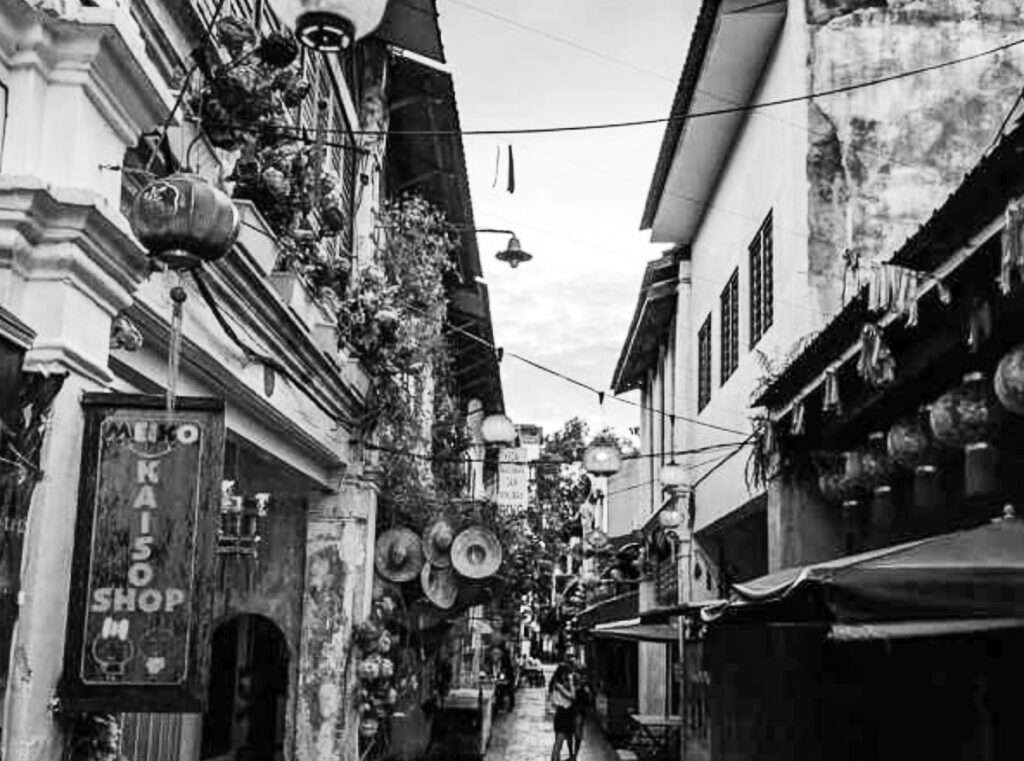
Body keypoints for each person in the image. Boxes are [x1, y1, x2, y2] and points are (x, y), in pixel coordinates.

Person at [547, 661, 578, 761]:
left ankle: (556, 758)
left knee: (559, 741)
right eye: (566, 673)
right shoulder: (558, 686)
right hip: (563, 714)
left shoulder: (558, 685)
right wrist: (571, 682)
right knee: (559, 742)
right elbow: (572, 696)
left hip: (563, 713)